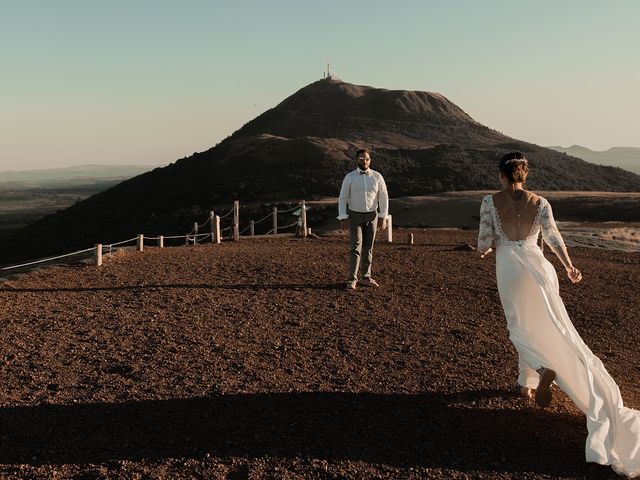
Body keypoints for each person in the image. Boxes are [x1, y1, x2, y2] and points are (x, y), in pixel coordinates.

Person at [478, 151, 640, 477]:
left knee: (519, 325)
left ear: (502, 175)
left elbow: (484, 240)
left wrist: (484, 248)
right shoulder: (541, 203)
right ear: (525, 174)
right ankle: (528, 380)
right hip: (539, 266)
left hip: (510, 266)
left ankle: (536, 370)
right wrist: (568, 266)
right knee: (551, 325)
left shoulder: (489, 201)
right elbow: (553, 237)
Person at [338, 148, 389, 290]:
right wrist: (343, 217)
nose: (364, 161)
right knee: (355, 247)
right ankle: (352, 278)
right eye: (361, 159)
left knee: (368, 248)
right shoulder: (350, 177)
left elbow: (383, 197)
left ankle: (366, 277)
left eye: (366, 159)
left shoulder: (377, 177)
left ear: (370, 160)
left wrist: (382, 216)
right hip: (354, 216)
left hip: (372, 216)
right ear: (357, 160)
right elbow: (343, 197)